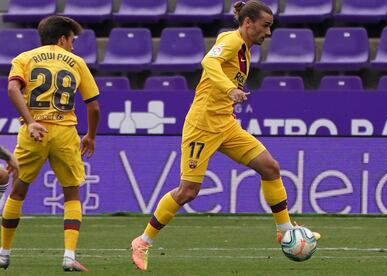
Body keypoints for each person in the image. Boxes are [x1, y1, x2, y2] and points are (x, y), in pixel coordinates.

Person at [130, 0, 320, 271]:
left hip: (226, 124)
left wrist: (229, 95)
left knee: (270, 167)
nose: (268, 33)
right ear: (248, 23)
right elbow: (208, 61)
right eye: (265, 26)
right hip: (203, 125)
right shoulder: (233, 40)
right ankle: (143, 240)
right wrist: (230, 90)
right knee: (187, 191)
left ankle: (285, 230)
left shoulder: (243, 46)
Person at [0, 15, 100, 272]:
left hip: (34, 132)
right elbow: (94, 106)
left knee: (18, 191)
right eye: (72, 40)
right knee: (72, 193)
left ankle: (3, 253)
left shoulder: (24, 58)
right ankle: (69, 256)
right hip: (66, 133)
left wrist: (30, 121)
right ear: (62, 38)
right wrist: (90, 136)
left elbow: (12, 89)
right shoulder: (77, 62)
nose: (73, 47)